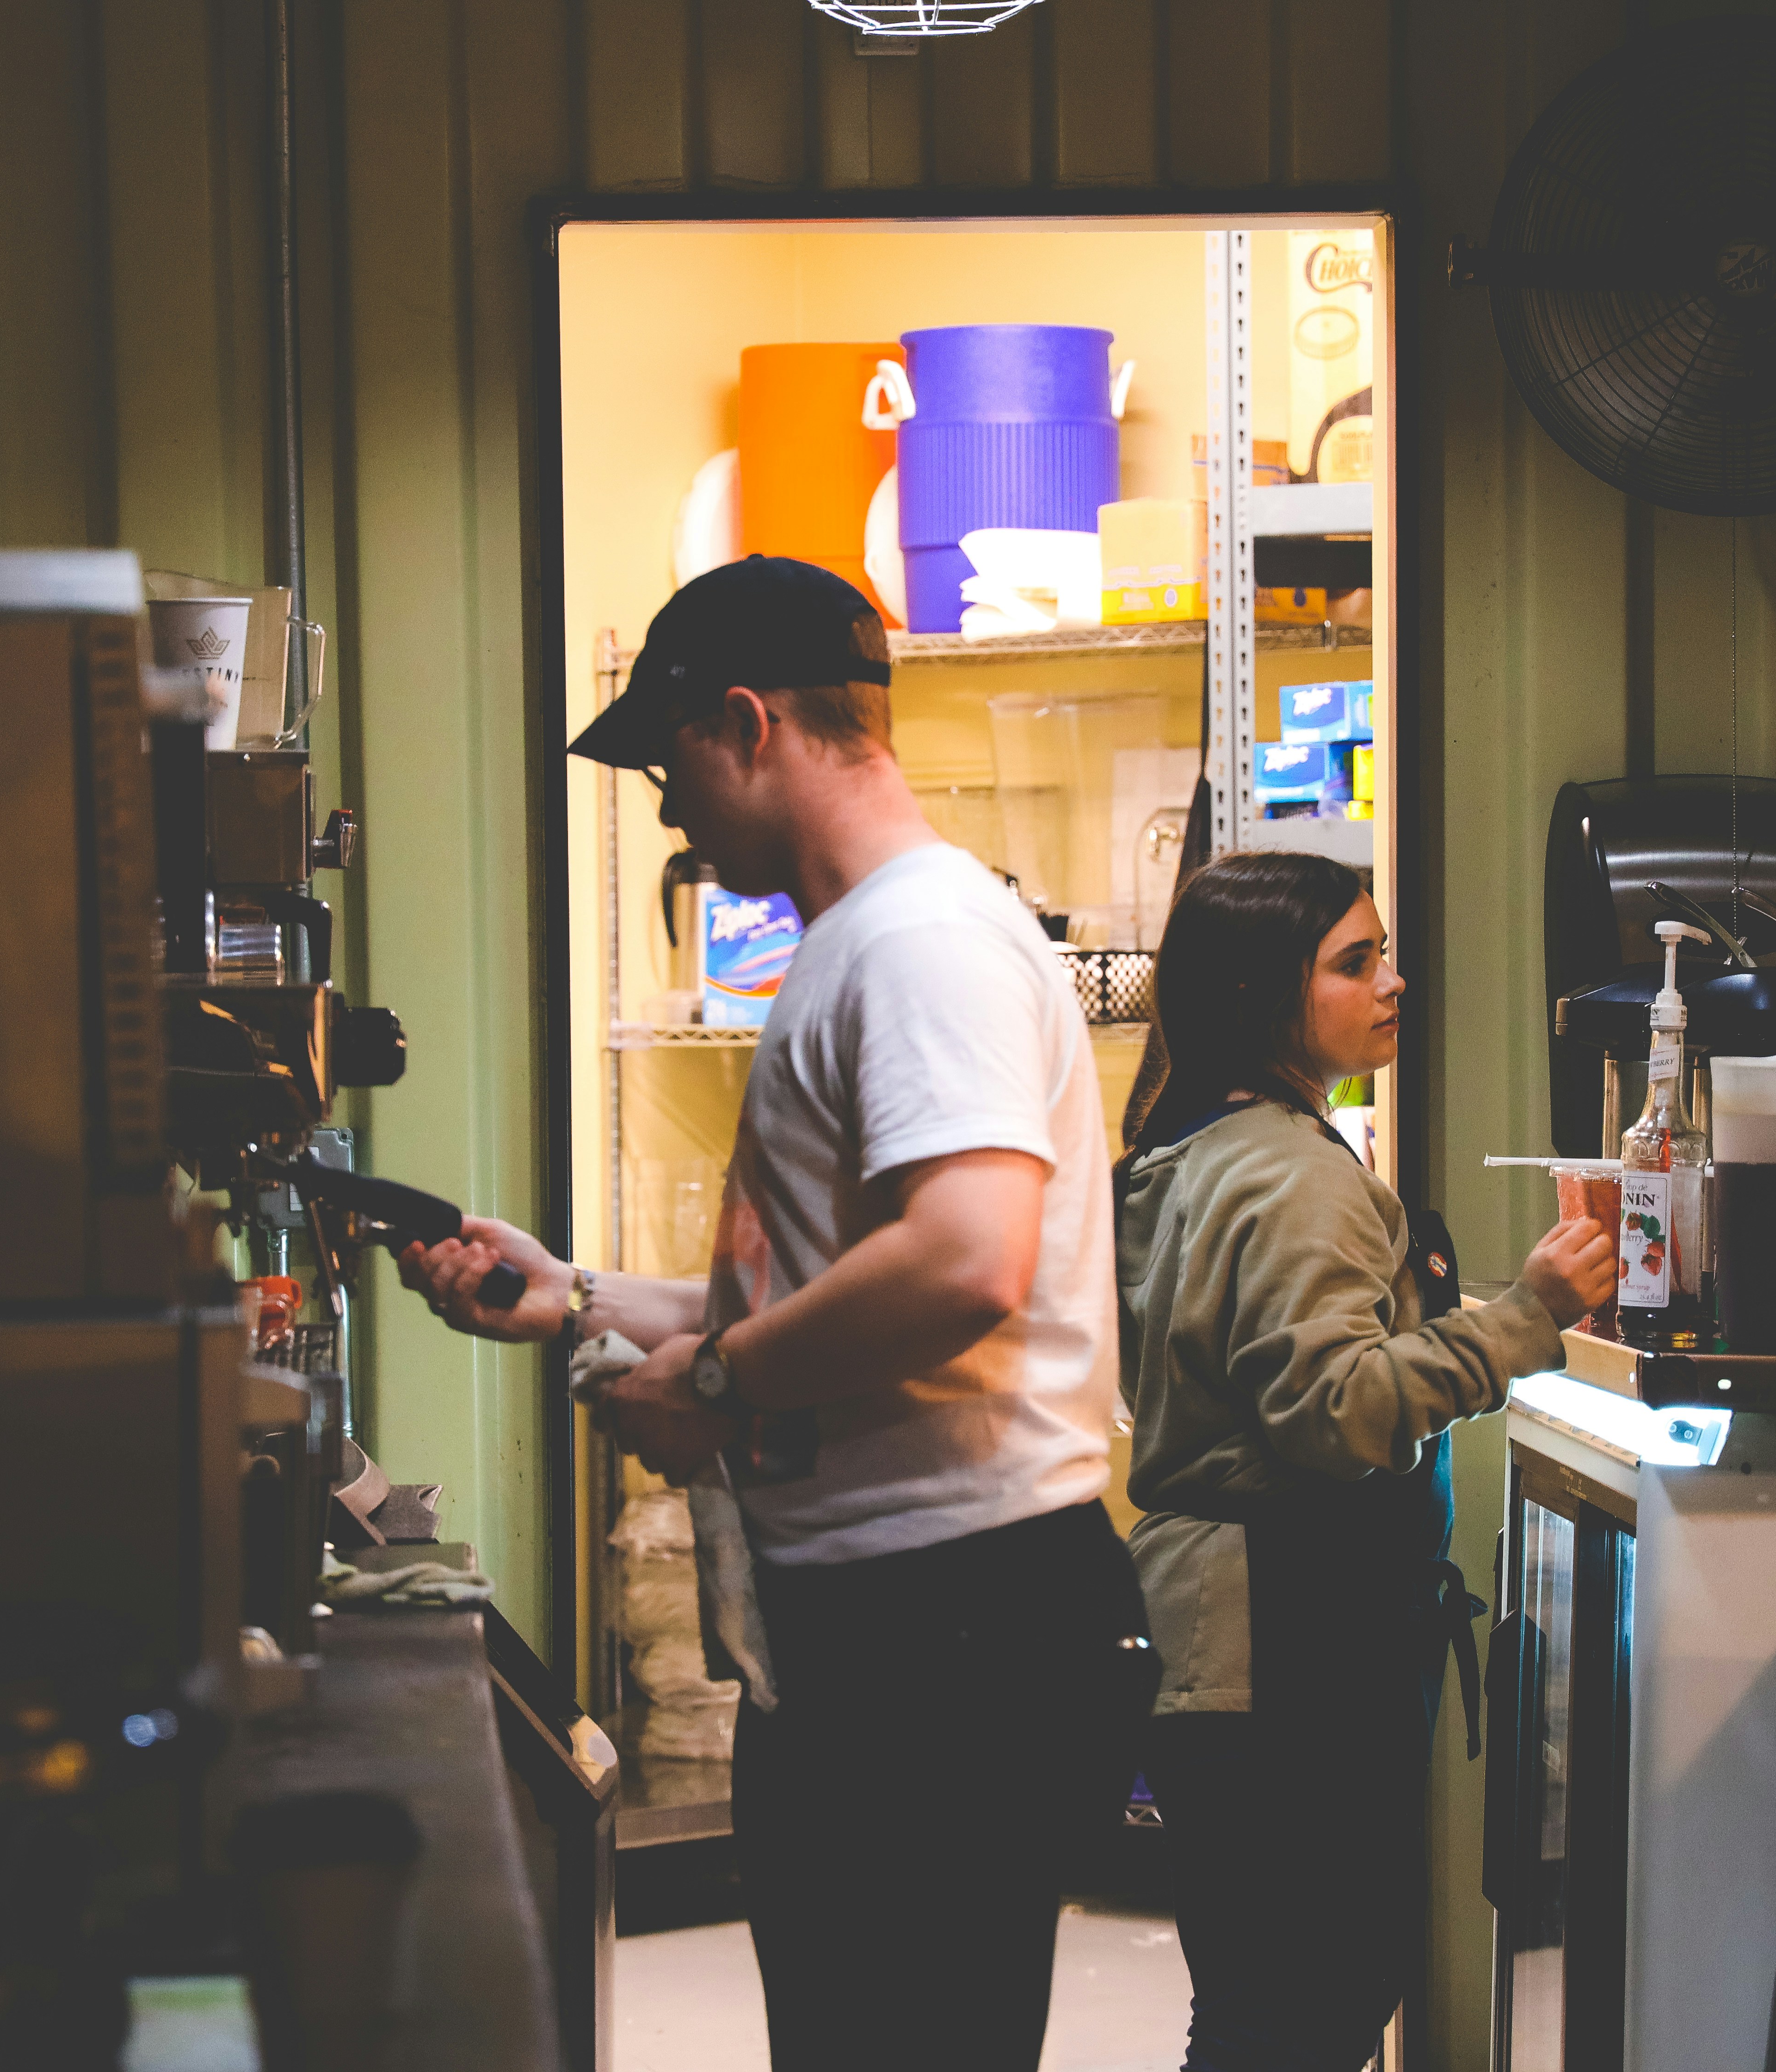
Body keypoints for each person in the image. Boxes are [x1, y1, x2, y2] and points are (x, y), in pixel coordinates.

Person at [395, 555, 1152, 2072]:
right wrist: (577, 1298)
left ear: (748, 723)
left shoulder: (919, 942)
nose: (664, 806)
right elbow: (835, 1281)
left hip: (948, 1635)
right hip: (900, 1625)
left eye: (667, 761)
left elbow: (964, 1260)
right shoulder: (866, 940)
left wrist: (720, 1382)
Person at [1116, 849, 1612, 2072]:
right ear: (1261, 994)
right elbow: (1333, 1411)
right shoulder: (1295, 1176)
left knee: (1253, 1997)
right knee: (1307, 2002)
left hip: (1216, 1643)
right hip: (1287, 1647)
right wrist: (1528, 1314)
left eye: (1383, 952)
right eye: (1356, 962)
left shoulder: (1202, 1147)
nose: (1393, 983)